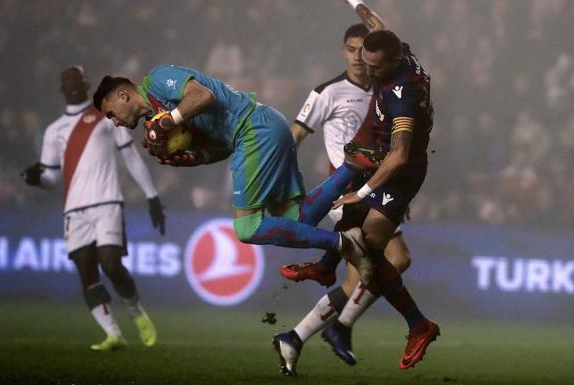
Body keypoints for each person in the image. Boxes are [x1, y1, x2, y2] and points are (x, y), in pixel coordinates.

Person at [92, 64, 373, 275]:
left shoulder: (156, 81)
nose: (113, 121)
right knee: (296, 220)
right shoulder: (156, 116)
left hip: (254, 129)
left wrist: (169, 121)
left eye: (110, 113)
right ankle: (351, 168)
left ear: (122, 95)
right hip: (262, 129)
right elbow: (223, 148)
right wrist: (194, 158)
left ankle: (343, 243)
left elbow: (203, 96)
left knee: (247, 227)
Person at [302, 0, 440, 370]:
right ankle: (328, 269)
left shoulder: (401, 95)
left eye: (376, 67)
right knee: (362, 242)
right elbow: (375, 21)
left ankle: (417, 324)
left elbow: (399, 156)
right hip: (383, 164)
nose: (368, 71)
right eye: (365, 60)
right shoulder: (398, 50)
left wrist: (361, 192)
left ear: (392, 64)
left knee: (369, 248)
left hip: (401, 173)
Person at [272, 22, 413, 376]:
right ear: (343, 51)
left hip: (379, 192)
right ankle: (340, 326)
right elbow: (294, 137)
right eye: (351, 49)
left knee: (359, 280)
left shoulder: (385, 89)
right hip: (347, 196)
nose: (357, 57)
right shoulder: (328, 92)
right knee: (395, 260)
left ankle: (295, 337)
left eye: (362, 50)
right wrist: (281, 184)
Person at [22, 66, 164, 351]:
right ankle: (113, 334)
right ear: (62, 88)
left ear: (87, 84)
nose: (73, 83)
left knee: (111, 265)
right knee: (87, 274)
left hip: (107, 202)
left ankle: (136, 311)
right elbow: (51, 178)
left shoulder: (106, 115)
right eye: (68, 80)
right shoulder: (53, 131)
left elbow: (131, 156)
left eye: (78, 78)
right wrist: (37, 179)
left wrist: (152, 195)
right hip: (74, 210)